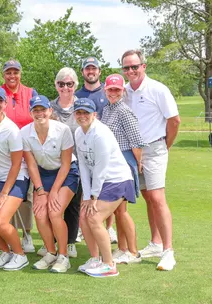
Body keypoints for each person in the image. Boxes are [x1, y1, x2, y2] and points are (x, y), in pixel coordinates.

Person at [122, 49, 180, 271]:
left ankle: (168, 251)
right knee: (147, 197)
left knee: (157, 197)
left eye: (134, 66)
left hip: (155, 147)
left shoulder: (158, 89)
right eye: (126, 68)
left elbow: (174, 121)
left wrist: (165, 145)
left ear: (143, 66)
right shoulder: (125, 91)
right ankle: (155, 243)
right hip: (134, 151)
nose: (131, 71)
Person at [73, 98, 136, 278]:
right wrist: (86, 196)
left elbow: (101, 167)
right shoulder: (78, 133)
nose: (82, 116)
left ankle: (109, 265)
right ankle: (95, 259)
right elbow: (84, 166)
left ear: (94, 114)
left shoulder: (100, 133)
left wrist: (93, 196)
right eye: (79, 112)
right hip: (100, 181)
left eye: (86, 112)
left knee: (93, 217)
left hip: (117, 180)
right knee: (83, 216)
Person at [22, 95, 79, 273]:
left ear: (50, 111)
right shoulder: (24, 132)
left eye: (42, 109)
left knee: (54, 213)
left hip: (67, 173)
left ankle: (64, 257)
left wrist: (53, 191)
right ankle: (51, 252)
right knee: (39, 214)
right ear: (31, 112)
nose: (39, 113)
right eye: (35, 110)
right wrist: (40, 190)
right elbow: (31, 164)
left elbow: (66, 163)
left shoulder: (62, 130)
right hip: (43, 175)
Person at [0, 86, 30, 271]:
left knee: (0, 221)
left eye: (0, 101)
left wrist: (4, 193)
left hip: (16, 179)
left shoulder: (12, 130)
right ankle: (6, 252)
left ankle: (20, 255)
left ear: (5, 104)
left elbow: (16, 164)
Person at [100, 74, 145, 264]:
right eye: (110, 89)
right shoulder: (106, 110)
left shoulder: (124, 111)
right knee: (118, 210)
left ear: (123, 91)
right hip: (112, 164)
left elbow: (136, 142)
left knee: (122, 210)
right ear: (105, 90)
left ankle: (133, 252)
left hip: (125, 163)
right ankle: (122, 248)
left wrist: (137, 164)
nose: (113, 93)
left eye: (117, 90)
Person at [75, 57, 116, 243]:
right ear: (83, 72)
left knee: (108, 191)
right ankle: (85, 227)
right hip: (86, 147)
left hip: (107, 147)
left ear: (99, 71)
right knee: (87, 189)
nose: (90, 72)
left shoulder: (106, 92)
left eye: (94, 69)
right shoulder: (78, 94)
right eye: (87, 69)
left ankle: (109, 228)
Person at [0, 59, 36, 253]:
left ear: (20, 73)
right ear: (4, 74)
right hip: (2, 154)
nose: (12, 76)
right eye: (8, 72)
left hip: (27, 153)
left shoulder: (30, 93)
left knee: (25, 197)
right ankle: (9, 232)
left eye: (15, 72)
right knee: (7, 195)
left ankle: (27, 234)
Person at [47, 67, 82, 259]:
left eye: (69, 84)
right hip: (54, 163)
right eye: (61, 84)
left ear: (75, 85)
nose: (65, 87)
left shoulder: (82, 106)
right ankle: (53, 241)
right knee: (54, 205)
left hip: (78, 163)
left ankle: (70, 242)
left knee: (73, 205)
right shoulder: (50, 107)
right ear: (56, 85)